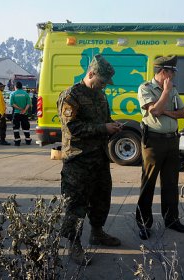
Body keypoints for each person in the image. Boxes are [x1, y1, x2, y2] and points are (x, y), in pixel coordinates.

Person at [57, 54, 122, 265]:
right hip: (78, 161)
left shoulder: (101, 96)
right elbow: (72, 128)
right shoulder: (71, 96)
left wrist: (113, 126)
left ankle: (97, 232)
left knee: (102, 199)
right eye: (101, 82)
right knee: (76, 205)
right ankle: (74, 245)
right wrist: (103, 128)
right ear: (91, 74)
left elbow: (105, 120)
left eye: (105, 84)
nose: (103, 86)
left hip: (100, 159)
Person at [136, 55, 184, 240]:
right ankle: (144, 223)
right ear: (163, 72)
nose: (174, 75)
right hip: (154, 142)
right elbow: (155, 111)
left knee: (170, 184)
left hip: (172, 140)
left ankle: (171, 220)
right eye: (172, 71)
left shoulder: (173, 89)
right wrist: (165, 93)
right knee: (148, 183)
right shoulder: (146, 88)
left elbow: (183, 113)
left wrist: (166, 111)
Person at [10, 82, 32, 146]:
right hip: (24, 114)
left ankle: (17, 141)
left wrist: (19, 109)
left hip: (16, 113)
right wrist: (24, 110)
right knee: (26, 127)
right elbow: (28, 104)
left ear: (15, 87)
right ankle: (28, 140)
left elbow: (12, 103)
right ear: (21, 87)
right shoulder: (26, 94)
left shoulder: (13, 94)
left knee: (16, 127)